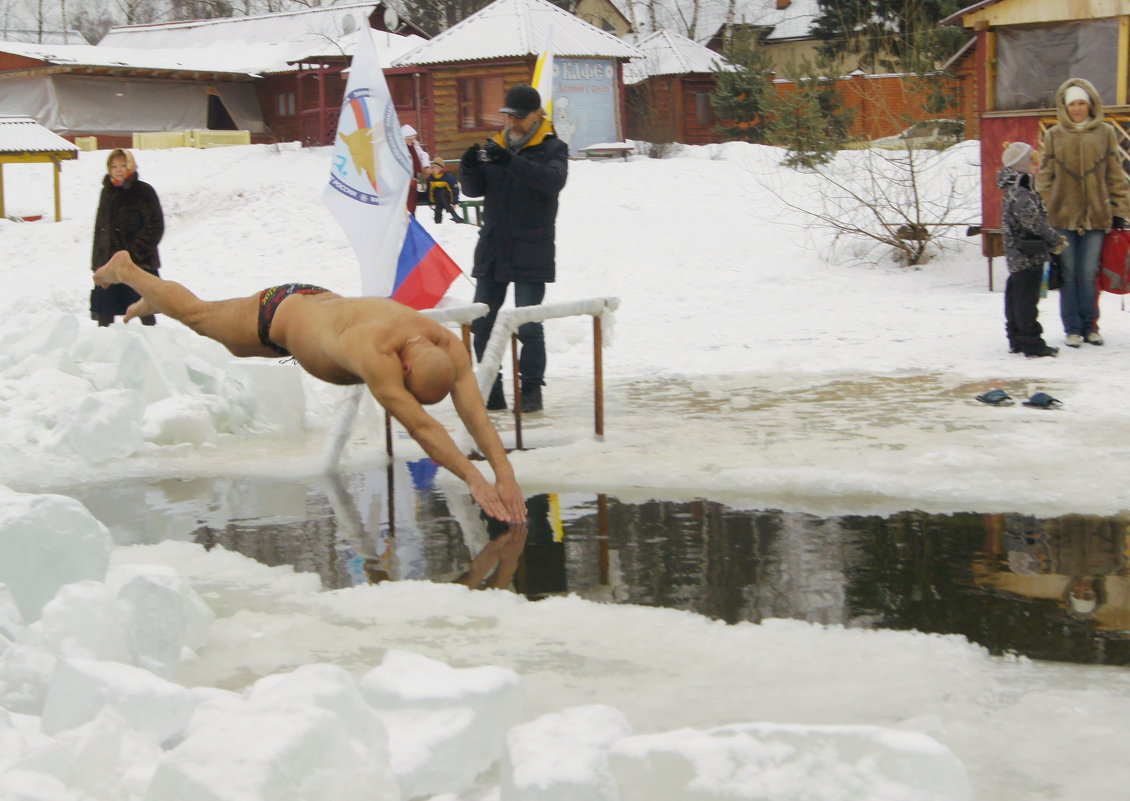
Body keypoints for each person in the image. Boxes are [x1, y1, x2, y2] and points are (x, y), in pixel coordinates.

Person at [91, 250, 527, 523]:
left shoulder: (447, 345)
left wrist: (504, 475)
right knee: (202, 319)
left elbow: (473, 413)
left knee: (218, 330)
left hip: (314, 307)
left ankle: (161, 299)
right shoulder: (373, 354)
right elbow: (424, 428)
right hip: (279, 311)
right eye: (410, 389)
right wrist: (474, 478)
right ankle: (127, 268)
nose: (408, 397)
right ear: (405, 365)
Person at [460, 84, 568, 413]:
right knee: (481, 322)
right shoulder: (497, 146)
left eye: (520, 117)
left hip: (531, 248)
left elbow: (551, 182)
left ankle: (532, 389)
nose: (512, 123)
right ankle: (492, 390)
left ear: (538, 115)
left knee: (528, 325)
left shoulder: (553, 149)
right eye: (509, 116)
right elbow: (474, 190)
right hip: (494, 247)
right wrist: (467, 169)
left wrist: (509, 161)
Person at [1036, 78, 1130, 348]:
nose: (1077, 109)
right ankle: (1072, 328)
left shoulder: (1105, 133)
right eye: (1072, 104)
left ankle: (1091, 326)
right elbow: (1044, 176)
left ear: (1090, 105)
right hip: (1062, 218)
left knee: (1089, 274)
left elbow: (1115, 174)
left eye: (1081, 103)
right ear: (1064, 107)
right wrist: (1042, 208)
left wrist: (1119, 209)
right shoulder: (1054, 135)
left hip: (1096, 218)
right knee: (1069, 273)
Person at [998, 141, 1066, 358]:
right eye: (1034, 161)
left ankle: (1016, 338)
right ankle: (1031, 343)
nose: (1037, 166)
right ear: (1024, 164)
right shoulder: (1021, 190)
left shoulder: (1013, 187)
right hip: (1028, 253)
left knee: (1016, 296)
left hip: (1017, 252)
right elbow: (1032, 221)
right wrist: (1054, 239)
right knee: (1027, 299)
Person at [90, 148, 164, 327]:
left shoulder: (144, 191)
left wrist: (134, 253)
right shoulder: (107, 192)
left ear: (131, 165)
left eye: (123, 165)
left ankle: (155, 347)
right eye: (114, 166)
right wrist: (98, 262)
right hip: (109, 263)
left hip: (138, 263)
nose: (119, 169)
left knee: (144, 309)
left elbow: (156, 226)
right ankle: (104, 347)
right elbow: (100, 229)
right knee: (105, 313)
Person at [401, 124, 429, 216]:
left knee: (413, 203)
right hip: (406, 181)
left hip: (416, 179)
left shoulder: (415, 146)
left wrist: (426, 166)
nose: (411, 140)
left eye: (413, 138)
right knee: (408, 204)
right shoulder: (401, 149)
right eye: (409, 138)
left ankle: (412, 218)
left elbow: (423, 155)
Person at [425, 160, 464, 224]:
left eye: (435, 168)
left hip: (447, 198)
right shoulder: (431, 179)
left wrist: (454, 202)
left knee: (442, 193)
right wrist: (430, 202)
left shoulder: (448, 177)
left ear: (440, 169)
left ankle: (452, 215)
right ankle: (440, 221)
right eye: (432, 167)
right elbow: (429, 191)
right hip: (439, 200)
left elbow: (454, 190)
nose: (433, 169)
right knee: (438, 199)